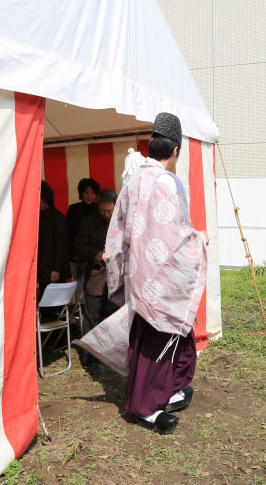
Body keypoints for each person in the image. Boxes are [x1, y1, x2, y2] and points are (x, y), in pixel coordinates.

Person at [105, 112, 208, 435]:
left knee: (171, 337)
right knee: (158, 344)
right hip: (162, 280)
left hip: (140, 275)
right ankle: (144, 407)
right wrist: (199, 241)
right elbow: (177, 232)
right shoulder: (168, 182)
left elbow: (119, 229)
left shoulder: (134, 180)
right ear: (175, 150)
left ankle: (171, 390)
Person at [74, 189, 119, 363]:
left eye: (109, 211)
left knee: (116, 318)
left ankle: (113, 353)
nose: (106, 214)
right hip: (96, 277)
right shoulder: (88, 223)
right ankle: (89, 358)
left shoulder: (121, 222)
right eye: (102, 211)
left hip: (117, 280)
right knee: (92, 318)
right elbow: (79, 246)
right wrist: (98, 254)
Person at [37, 181, 71, 301]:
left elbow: (61, 244)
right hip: (42, 268)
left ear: (45, 199)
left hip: (54, 268)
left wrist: (56, 268)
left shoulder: (57, 218)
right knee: (44, 298)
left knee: (54, 303)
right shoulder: (38, 217)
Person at [66, 178, 100, 261]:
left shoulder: (99, 209)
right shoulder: (73, 209)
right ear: (81, 193)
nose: (89, 196)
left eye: (92, 193)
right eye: (86, 192)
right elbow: (68, 231)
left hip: (96, 250)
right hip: (77, 250)